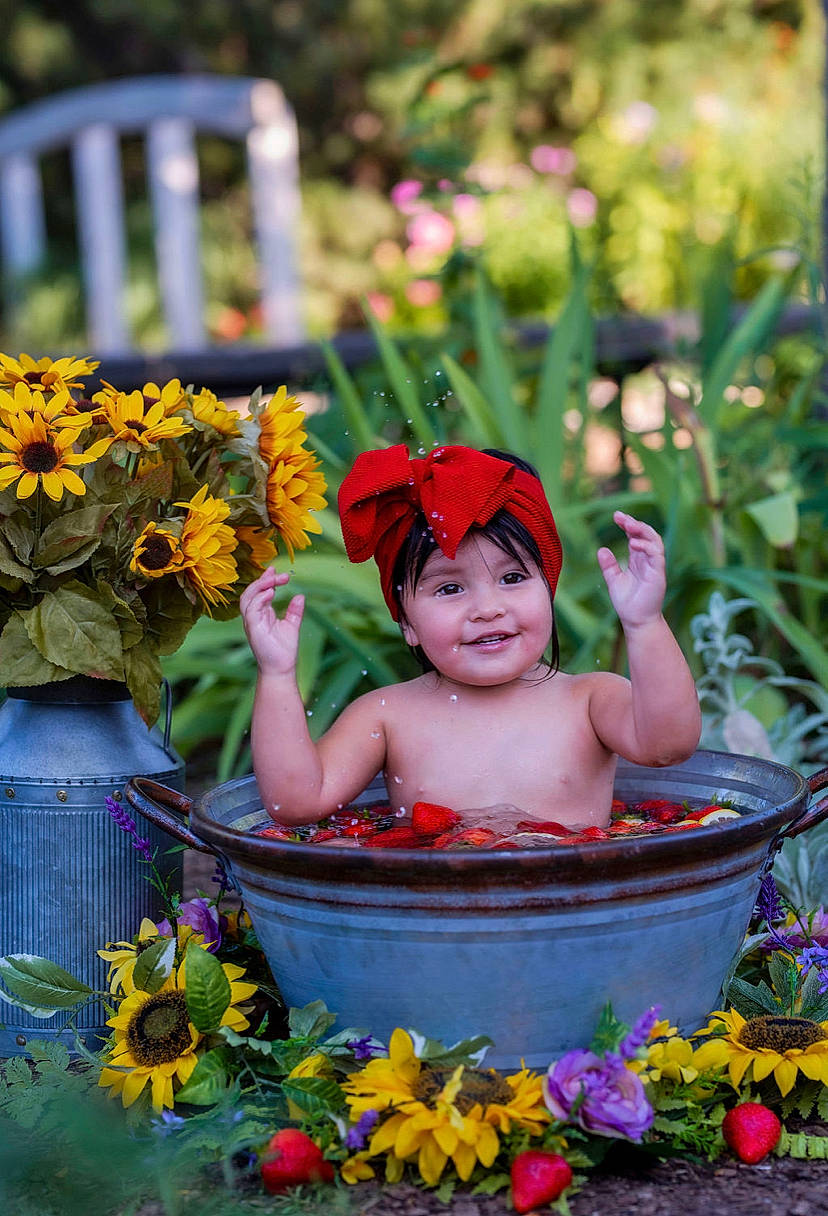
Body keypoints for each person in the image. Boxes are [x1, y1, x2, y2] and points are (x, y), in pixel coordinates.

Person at [240, 444, 701, 831]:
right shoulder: (387, 716)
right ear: (407, 623)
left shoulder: (590, 700)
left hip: (572, 907)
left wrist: (644, 622)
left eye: (513, 577)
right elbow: (295, 804)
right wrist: (278, 673)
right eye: (450, 588)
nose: (487, 608)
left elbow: (669, 746)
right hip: (435, 920)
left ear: (549, 589)